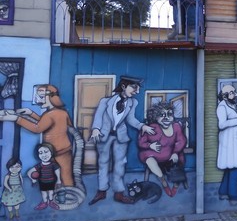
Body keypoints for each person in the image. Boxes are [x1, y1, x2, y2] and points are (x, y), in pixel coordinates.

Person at [89, 75, 155, 205]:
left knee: (119, 165)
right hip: (104, 136)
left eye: (138, 89)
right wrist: (96, 129)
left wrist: (142, 126)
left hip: (121, 137)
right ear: (124, 86)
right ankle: (102, 191)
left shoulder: (132, 103)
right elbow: (98, 116)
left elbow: (131, 119)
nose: (137, 91)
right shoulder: (105, 101)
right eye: (134, 88)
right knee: (103, 163)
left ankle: (119, 193)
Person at [0, 84, 75, 187]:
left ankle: (67, 194)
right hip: (62, 149)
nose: (38, 99)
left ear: (50, 97)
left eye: (41, 96)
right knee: (65, 175)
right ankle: (67, 194)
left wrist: (16, 118)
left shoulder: (50, 114)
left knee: (62, 176)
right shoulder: (61, 112)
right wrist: (30, 113)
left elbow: (37, 128)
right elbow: (46, 123)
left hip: (56, 150)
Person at [138, 101, 187, 198]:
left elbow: (181, 141)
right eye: (162, 115)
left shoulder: (176, 126)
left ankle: (176, 186)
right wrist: (150, 145)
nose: (166, 118)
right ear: (156, 117)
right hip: (154, 155)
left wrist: (175, 152)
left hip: (170, 155)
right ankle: (163, 181)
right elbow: (141, 142)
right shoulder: (152, 128)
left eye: (169, 114)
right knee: (150, 160)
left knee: (179, 162)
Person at [27, 142, 61, 210]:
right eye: (41, 153)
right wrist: (32, 179)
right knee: (44, 193)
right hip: (42, 182)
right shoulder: (40, 165)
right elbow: (29, 172)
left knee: (51, 192)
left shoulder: (53, 164)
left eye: (46, 152)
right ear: (38, 155)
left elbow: (57, 171)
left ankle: (51, 202)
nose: (44, 155)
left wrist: (59, 180)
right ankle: (45, 202)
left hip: (51, 181)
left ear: (51, 153)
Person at [2, 157, 26, 221]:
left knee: (17, 203)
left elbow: (21, 180)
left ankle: (17, 214)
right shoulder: (8, 176)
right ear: (8, 167)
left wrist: (21, 185)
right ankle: (11, 215)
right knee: (9, 204)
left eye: (17, 166)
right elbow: (5, 183)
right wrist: (9, 188)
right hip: (10, 190)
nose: (15, 169)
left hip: (18, 190)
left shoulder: (19, 174)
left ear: (20, 167)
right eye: (12, 167)